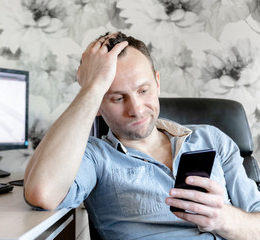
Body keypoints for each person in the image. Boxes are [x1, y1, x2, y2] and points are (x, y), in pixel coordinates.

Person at [24, 32, 260, 239]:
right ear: (97, 103)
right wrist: (92, 86)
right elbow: (42, 192)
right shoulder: (95, 157)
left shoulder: (211, 139)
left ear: (157, 83)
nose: (136, 109)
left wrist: (223, 219)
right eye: (117, 98)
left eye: (143, 90)